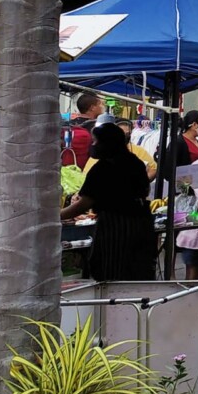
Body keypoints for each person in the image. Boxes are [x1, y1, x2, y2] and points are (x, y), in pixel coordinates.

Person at [60, 121, 156, 281]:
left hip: (115, 229)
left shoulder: (101, 169)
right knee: (137, 275)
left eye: (95, 141)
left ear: (106, 143)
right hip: (141, 224)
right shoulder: (135, 163)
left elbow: (84, 204)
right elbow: (145, 191)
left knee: (113, 276)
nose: (93, 145)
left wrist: (56, 215)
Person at [86, 118, 156, 182]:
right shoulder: (102, 150)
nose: (125, 136)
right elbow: (88, 175)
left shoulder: (139, 151)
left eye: (127, 134)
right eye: (122, 133)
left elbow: (154, 169)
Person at [67, 91, 103, 167]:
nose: (102, 107)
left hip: (69, 167)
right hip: (88, 168)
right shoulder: (96, 128)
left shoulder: (70, 124)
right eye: (100, 104)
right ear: (92, 108)